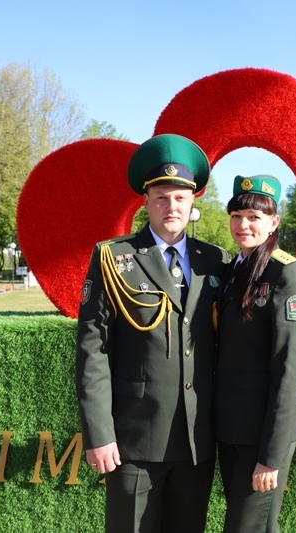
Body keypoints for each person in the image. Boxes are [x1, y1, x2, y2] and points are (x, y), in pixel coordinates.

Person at [75, 134, 229, 533]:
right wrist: (99, 434)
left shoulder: (215, 260)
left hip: (196, 440)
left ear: (193, 202)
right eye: (161, 197)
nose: (171, 206)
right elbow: (93, 351)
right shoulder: (113, 258)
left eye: (179, 198)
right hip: (134, 439)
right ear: (145, 202)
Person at [215, 175, 296, 533]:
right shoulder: (231, 270)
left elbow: (289, 369)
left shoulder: (287, 273)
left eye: (254, 217)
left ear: (273, 223)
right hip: (229, 428)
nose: (243, 225)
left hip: (261, 434)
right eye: (237, 216)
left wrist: (271, 456)